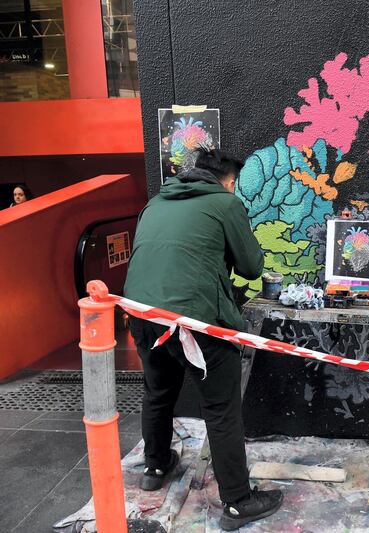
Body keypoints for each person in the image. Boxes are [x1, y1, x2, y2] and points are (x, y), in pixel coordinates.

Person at [124, 148, 282, 531]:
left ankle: (156, 466)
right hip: (195, 320)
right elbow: (251, 266)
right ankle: (237, 502)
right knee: (221, 409)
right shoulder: (225, 204)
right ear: (228, 182)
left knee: (158, 392)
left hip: (141, 314)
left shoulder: (155, 202)